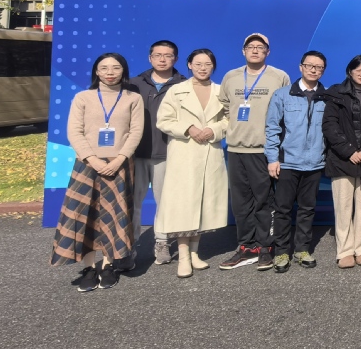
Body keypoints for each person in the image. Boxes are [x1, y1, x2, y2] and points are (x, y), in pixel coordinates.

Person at [50, 53, 144, 292]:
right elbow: (74, 131)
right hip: (87, 165)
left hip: (120, 165)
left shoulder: (133, 98)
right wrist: (92, 159)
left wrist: (119, 159)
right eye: (104, 68)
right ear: (97, 72)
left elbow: (136, 132)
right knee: (85, 215)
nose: (110, 72)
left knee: (115, 215)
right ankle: (90, 268)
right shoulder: (83, 97)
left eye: (116, 67)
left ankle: (109, 265)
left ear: (123, 71)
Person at [217, 33, 290, 270]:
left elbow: (285, 111)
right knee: (240, 203)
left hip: (263, 150)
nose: (255, 50)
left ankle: (265, 247)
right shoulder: (231, 77)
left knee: (264, 202)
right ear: (243, 51)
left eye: (260, 47)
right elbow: (225, 106)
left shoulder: (279, 77)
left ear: (268, 52)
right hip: (236, 148)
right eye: (251, 47)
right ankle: (246, 247)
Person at [154, 49, 229, 278]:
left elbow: (230, 119)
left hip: (210, 152)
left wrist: (214, 130)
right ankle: (184, 257)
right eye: (198, 64)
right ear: (189, 65)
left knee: (202, 205)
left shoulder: (221, 91)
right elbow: (163, 120)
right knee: (183, 206)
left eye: (207, 64)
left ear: (213, 66)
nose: (202, 68)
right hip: (184, 154)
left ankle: (195, 253)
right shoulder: (176, 90)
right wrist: (188, 128)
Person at [265, 51, 328, 273]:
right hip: (287, 162)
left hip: (314, 163)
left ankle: (302, 249)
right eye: (309, 65)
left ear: (323, 71)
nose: (313, 70)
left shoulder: (327, 97)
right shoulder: (282, 95)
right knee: (282, 209)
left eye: (318, 67)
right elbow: (272, 128)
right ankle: (281, 252)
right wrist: (272, 159)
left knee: (307, 209)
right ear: (301, 67)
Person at [321, 55, 361, 269]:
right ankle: (345, 251)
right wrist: (349, 151)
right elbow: (330, 126)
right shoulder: (336, 94)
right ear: (350, 71)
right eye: (358, 70)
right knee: (343, 207)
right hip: (342, 158)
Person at [128, 39, 185, 266]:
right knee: (133, 202)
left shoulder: (183, 85)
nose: (162, 59)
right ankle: (129, 245)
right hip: (136, 153)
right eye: (158, 55)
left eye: (168, 55)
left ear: (176, 59)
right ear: (150, 58)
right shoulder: (134, 84)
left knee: (165, 203)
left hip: (167, 153)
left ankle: (162, 242)